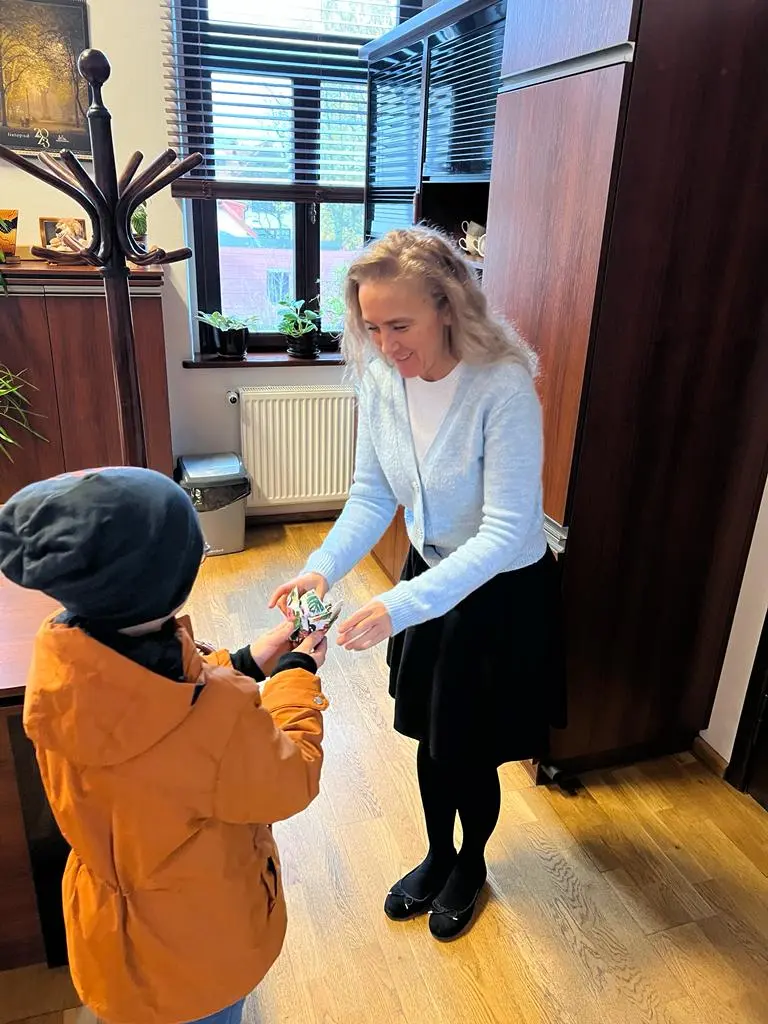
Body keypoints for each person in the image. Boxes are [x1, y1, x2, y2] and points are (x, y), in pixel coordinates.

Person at [270, 226, 565, 940]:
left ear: (447, 305)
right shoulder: (381, 379)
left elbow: (505, 531)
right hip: (431, 577)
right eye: (371, 327)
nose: (385, 344)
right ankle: (438, 856)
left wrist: (398, 605)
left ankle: (472, 864)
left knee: (468, 745)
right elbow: (373, 494)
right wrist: (322, 566)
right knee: (432, 737)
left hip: (499, 592)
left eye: (399, 325)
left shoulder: (502, 386)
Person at [0, 467, 329, 1024]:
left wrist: (247, 659)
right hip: (200, 948)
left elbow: (157, 699)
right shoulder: (217, 720)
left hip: (110, 934)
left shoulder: (60, 664)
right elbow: (292, 776)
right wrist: (297, 674)